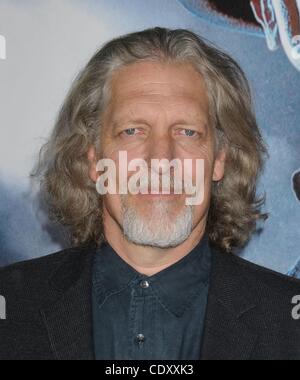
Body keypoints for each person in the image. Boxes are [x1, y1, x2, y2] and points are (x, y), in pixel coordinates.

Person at [0, 27, 300, 360]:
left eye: (187, 131)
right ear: (93, 159)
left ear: (219, 160)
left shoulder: (290, 326)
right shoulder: (10, 309)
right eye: (132, 131)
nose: (160, 159)